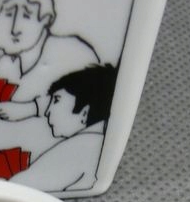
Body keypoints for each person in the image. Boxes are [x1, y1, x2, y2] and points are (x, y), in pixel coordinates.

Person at [11, 64, 117, 192]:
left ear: (84, 112)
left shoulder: (80, 146)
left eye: (56, 100)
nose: (47, 112)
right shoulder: (98, 141)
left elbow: (16, 190)